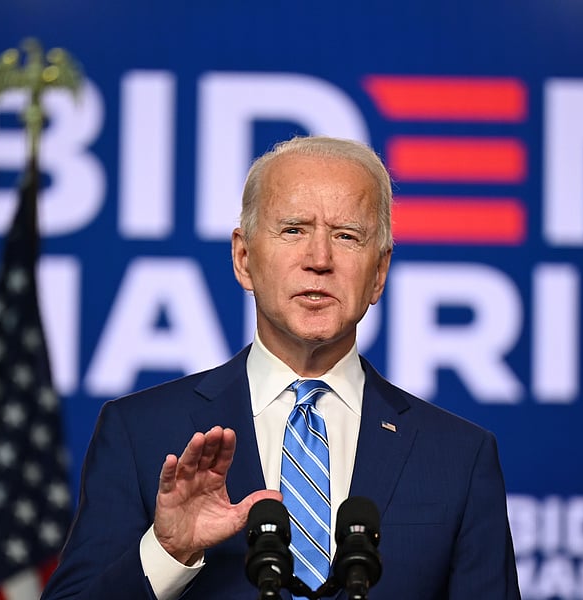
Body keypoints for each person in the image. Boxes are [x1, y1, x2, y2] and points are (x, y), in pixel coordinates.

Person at [42, 135, 520, 599]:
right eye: (293, 230)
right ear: (244, 258)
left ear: (379, 273)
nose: (319, 259)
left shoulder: (458, 458)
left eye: (347, 236)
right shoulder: (140, 433)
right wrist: (168, 552)